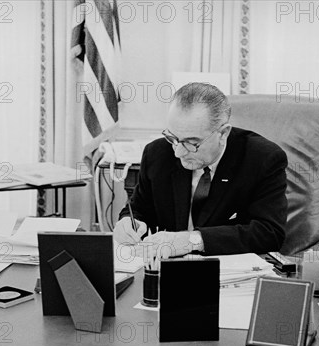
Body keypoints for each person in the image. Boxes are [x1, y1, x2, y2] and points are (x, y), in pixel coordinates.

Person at [113, 82, 288, 258]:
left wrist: (193, 240)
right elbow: (139, 208)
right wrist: (129, 222)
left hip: (228, 269)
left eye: (191, 143)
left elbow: (269, 233)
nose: (178, 152)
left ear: (223, 134)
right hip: (169, 268)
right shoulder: (157, 153)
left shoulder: (262, 159)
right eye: (172, 138)